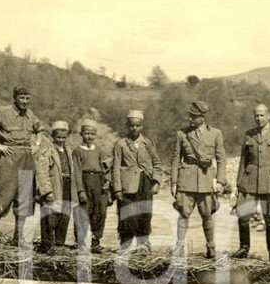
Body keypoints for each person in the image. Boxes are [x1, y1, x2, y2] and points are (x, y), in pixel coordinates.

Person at [0, 85, 46, 250]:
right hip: (10, 157)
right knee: (3, 195)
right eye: (21, 98)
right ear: (14, 98)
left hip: (27, 157)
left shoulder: (30, 114)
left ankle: (18, 238)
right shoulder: (3, 112)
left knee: (25, 198)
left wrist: (37, 143)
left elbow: (41, 129)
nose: (25, 102)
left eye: (27, 98)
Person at [232, 103, 270, 262]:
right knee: (243, 216)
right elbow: (243, 161)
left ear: (268, 115)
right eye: (256, 115)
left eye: (262, 115)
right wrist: (238, 186)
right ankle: (244, 249)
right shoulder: (249, 134)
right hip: (249, 182)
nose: (259, 118)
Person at [170, 100, 226, 259]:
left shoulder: (215, 134)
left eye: (193, 116)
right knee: (184, 214)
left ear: (202, 117)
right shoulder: (182, 134)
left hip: (206, 179)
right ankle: (179, 247)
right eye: (189, 115)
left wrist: (220, 181)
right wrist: (174, 183)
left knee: (207, 215)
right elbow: (175, 159)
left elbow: (221, 159)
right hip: (186, 180)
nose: (190, 119)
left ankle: (211, 247)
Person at [112, 110, 160, 254]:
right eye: (131, 126)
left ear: (142, 126)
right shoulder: (120, 144)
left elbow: (157, 163)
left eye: (137, 126)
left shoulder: (148, 143)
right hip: (127, 186)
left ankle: (143, 244)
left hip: (145, 184)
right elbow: (115, 168)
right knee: (127, 215)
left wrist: (156, 181)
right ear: (127, 126)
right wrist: (117, 189)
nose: (134, 129)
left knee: (144, 214)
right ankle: (125, 245)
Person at [33, 121, 77, 254]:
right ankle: (47, 244)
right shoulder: (47, 150)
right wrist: (47, 191)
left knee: (64, 214)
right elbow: (42, 171)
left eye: (64, 137)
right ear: (53, 136)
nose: (61, 140)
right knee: (49, 215)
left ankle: (59, 243)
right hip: (54, 185)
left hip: (67, 185)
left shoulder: (69, 150)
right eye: (58, 137)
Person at [72, 119, 112, 254]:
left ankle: (95, 242)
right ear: (81, 134)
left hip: (99, 182)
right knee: (83, 212)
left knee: (100, 212)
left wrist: (107, 180)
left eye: (92, 134)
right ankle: (81, 243)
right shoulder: (77, 151)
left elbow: (107, 167)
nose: (89, 137)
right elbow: (77, 171)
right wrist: (80, 190)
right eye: (86, 133)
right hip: (85, 180)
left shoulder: (99, 150)